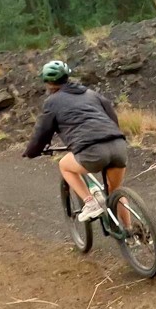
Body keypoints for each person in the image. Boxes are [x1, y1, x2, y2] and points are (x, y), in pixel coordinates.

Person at [22, 60, 129, 223]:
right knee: (115, 191)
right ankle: (131, 231)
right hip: (118, 145)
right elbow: (112, 116)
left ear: (48, 82)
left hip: (91, 150)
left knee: (64, 165)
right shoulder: (91, 94)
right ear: (67, 76)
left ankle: (90, 203)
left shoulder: (52, 102)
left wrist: (32, 152)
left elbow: (42, 132)